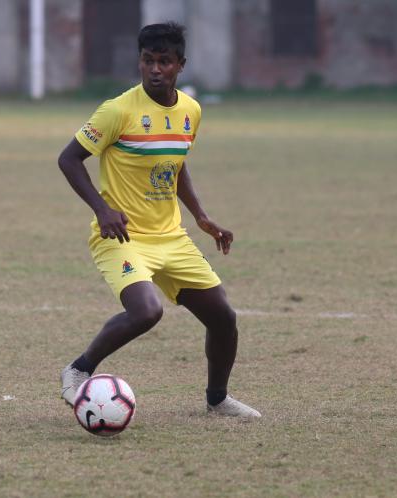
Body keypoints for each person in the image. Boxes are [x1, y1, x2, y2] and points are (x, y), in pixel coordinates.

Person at [57, 22, 260, 418]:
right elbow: (68, 159)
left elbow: (175, 163)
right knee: (147, 311)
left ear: (179, 66)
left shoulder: (191, 111)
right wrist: (102, 209)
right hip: (122, 236)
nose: (154, 69)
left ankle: (217, 400)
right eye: (148, 60)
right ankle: (78, 370)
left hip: (172, 238)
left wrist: (201, 216)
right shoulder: (118, 111)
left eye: (164, 62)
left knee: (223, 318)